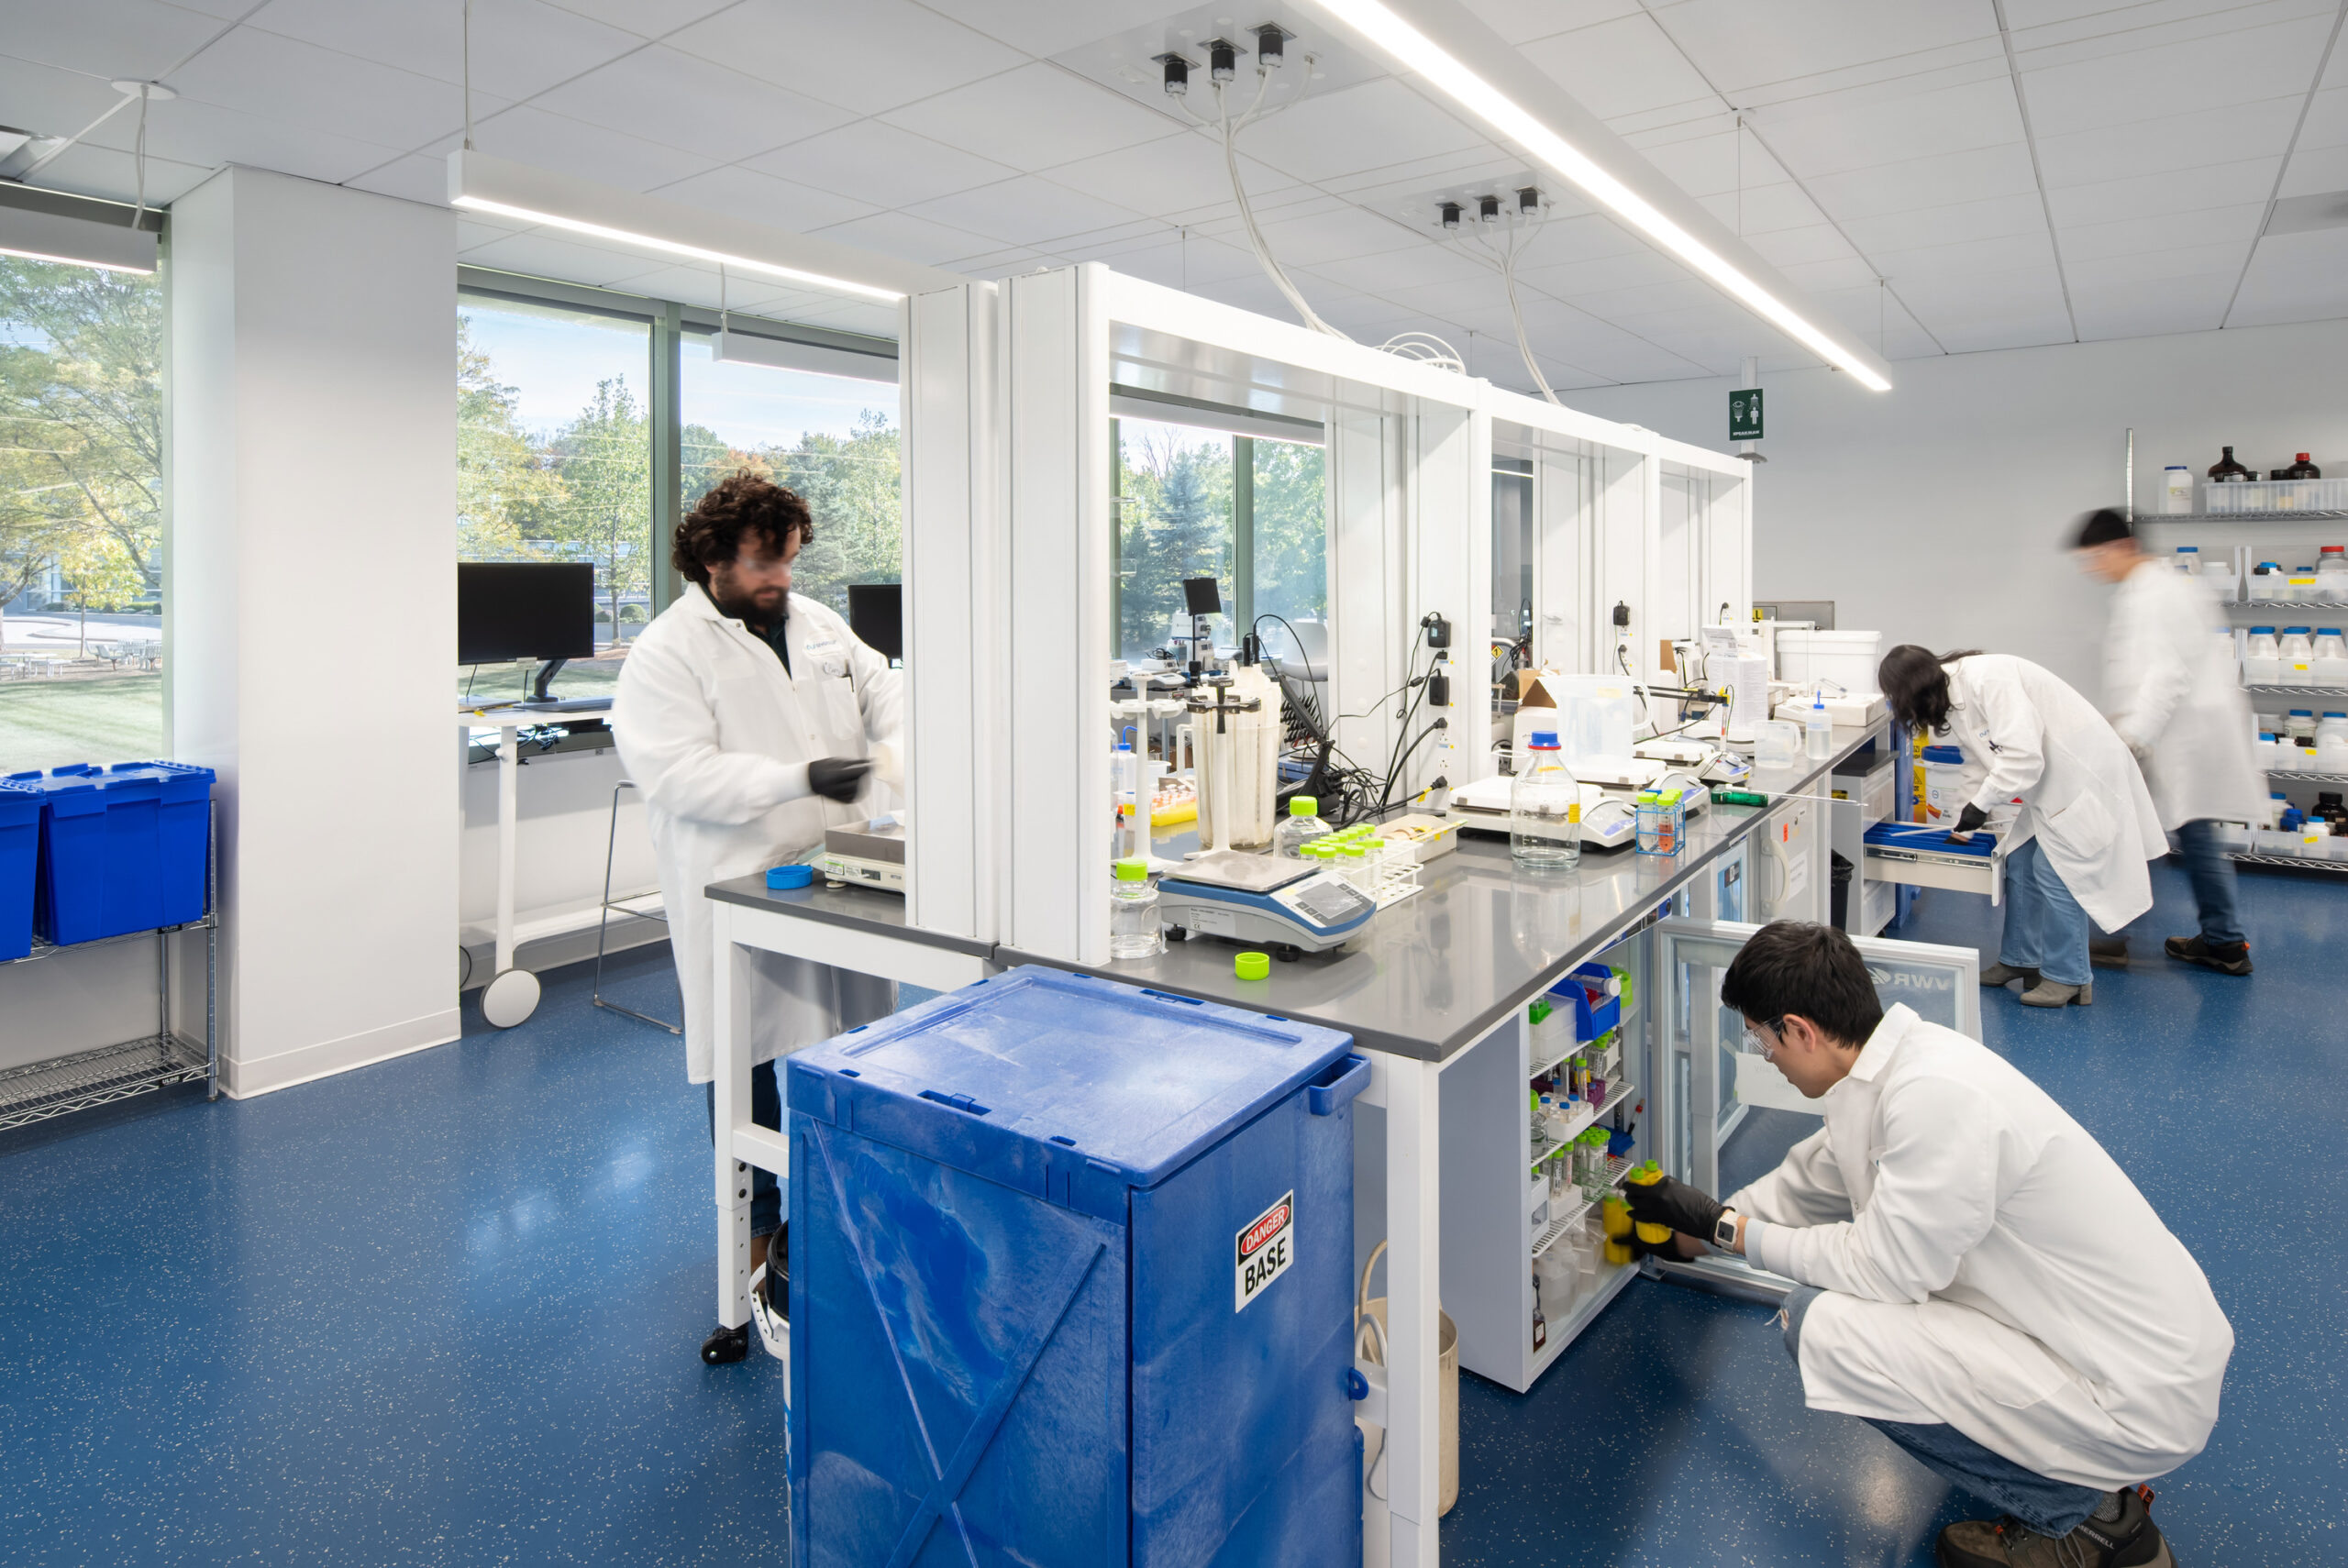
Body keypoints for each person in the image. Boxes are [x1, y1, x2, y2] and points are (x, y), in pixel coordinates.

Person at [1628, 921, 2229, 1568]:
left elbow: (1884, 1271)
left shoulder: (1937, 1099)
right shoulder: (1893, 1068)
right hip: (2103, 1343)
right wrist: (1697, 1235)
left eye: (1760, 1036)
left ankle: (2085, 1521)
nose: (1763, 1052)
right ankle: (2063, 1475)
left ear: (1799, 1030)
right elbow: (1809, 1182)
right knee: (1848, 1304)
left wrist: (1731, 1232)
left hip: (2134, 1387)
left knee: (1820, 1327)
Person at [610, 472, 903, 1338]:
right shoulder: (668, 651)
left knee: (850, 1040)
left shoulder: (812, 623)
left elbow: (880, 681)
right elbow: (676, 774)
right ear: (711, 560)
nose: (781, 579)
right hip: (738, 879)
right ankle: (757, 1242)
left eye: (788, 561)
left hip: (835, 870)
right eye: (764, 564)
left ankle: (841, 1206)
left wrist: (899, 737)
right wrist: (795, 778)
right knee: (747, 1064)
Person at [1878, 646, 2165, 1008]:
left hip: (2081, 775)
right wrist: (1961, 824)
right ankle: (2020, 960)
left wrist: (1980, 808)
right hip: (2050, 783)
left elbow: (2024, 757)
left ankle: (2070, 978)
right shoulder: (1955, 692)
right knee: (2021, 862)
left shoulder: (1988, 679)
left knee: (2054, 871)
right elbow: (1978, 765)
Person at [2072, 509, 2261, 976]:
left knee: (2139, 832)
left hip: (2176, 737)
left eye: (2096, 558)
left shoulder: (2155, 593)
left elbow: (2167, 674)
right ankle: (2222, 939)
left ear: (2122, 548)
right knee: (2194, 837)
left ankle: (2117, 938)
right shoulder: (2156, 587)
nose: (2094, 569)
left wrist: (2135, 736)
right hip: (2175, 734)